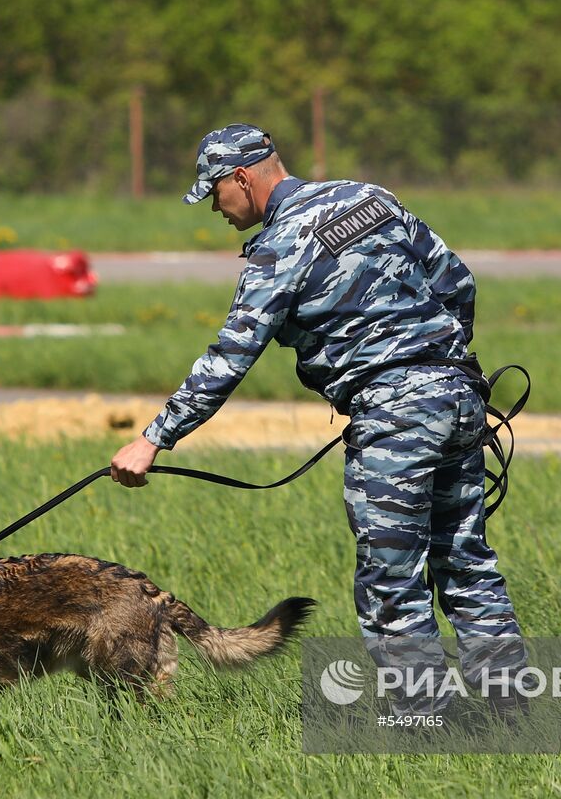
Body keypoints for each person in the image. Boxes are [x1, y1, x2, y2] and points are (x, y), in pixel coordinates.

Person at [109, 123, 525, 714]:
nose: (214, 210)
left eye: (214, 194)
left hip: (394, 418)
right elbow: (457, 279)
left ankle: (427, 730)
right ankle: (513, 715)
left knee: (392, 582)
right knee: (465, 564)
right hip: (458, 399)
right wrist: (447, 365)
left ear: (242, 178)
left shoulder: (281, 247)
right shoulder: (370, 197)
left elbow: (230, 357)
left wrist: (153, 439)